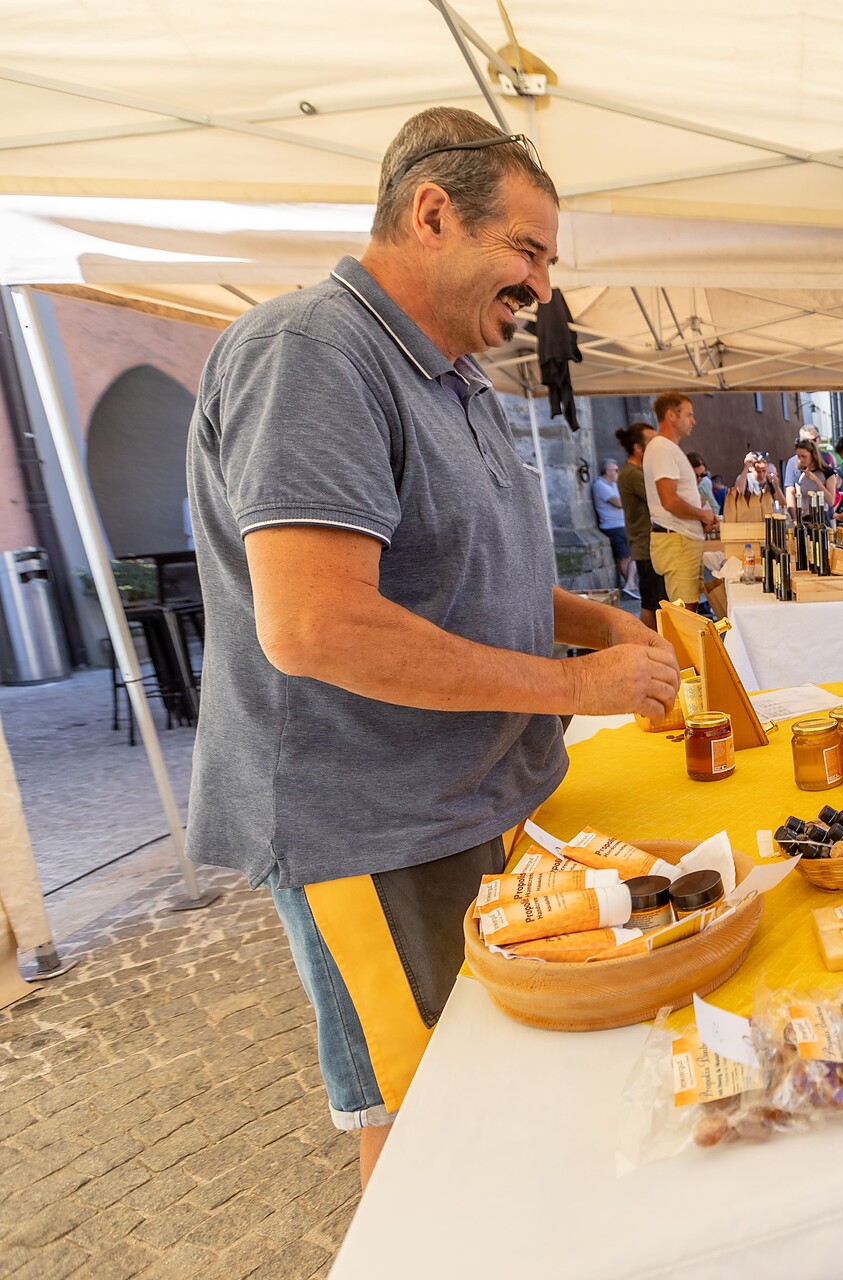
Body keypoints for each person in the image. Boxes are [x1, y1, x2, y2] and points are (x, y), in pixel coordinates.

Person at [182, 107, 680, 1186]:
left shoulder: (448, 373)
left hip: (468, 801)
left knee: (494, 1101)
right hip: (378, 824)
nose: (541, 287)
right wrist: (572, 679)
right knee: (423, 1124)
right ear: (433, 213)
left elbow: (467, 573)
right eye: (528, 250)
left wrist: (594, 622)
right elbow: (316, 623)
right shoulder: (312, 352)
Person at [644, 392, 720, 606]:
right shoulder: (661, 448)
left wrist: (700, 519)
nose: (693, 421)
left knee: (690, 608)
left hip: (683, 539)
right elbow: (669, 501)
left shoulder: (668, 448)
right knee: (684, 615)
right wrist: (702, 514)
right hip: (678, 541)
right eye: (689, 415)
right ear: (671, 415)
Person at [616, 423, 666, 624]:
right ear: (638, 447)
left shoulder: (638, 472)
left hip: (648, 545)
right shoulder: (633, 474)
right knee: (652, 603)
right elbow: (661, 499)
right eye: (652, 443)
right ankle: (649, 647)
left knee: (654, 601)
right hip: (646, 546)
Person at [591, 458, 639, 599]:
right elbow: (619, 503)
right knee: (625, 557)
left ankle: (631, 584)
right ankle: (630, 585)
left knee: (634, 554)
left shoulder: (614, 485)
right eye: (616, 470)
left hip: (623, 524)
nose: (618, 473)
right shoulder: (600, 485)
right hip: (613, 526)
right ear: (608, 471)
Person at [782, 423, 837, 489]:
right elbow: (790, 490)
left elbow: (835, 488)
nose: (809, 444)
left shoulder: (827, 458)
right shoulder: (792, 462)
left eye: (812, 440)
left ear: (819, 439)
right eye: (804, 441)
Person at [790, 439, 840, 506]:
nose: (801, 460)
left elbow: (831, 501)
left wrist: (815, 480)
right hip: (805, 514)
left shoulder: (827, 472)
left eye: (804, 456)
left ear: (813, 455)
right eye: (799, 456)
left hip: (821, 513)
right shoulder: (800, 472)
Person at [686, 450, 721, 515]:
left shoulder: (703, 486)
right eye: (695, 475)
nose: (699, 479)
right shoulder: (680, 488)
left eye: (702, 475)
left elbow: (715, 508)